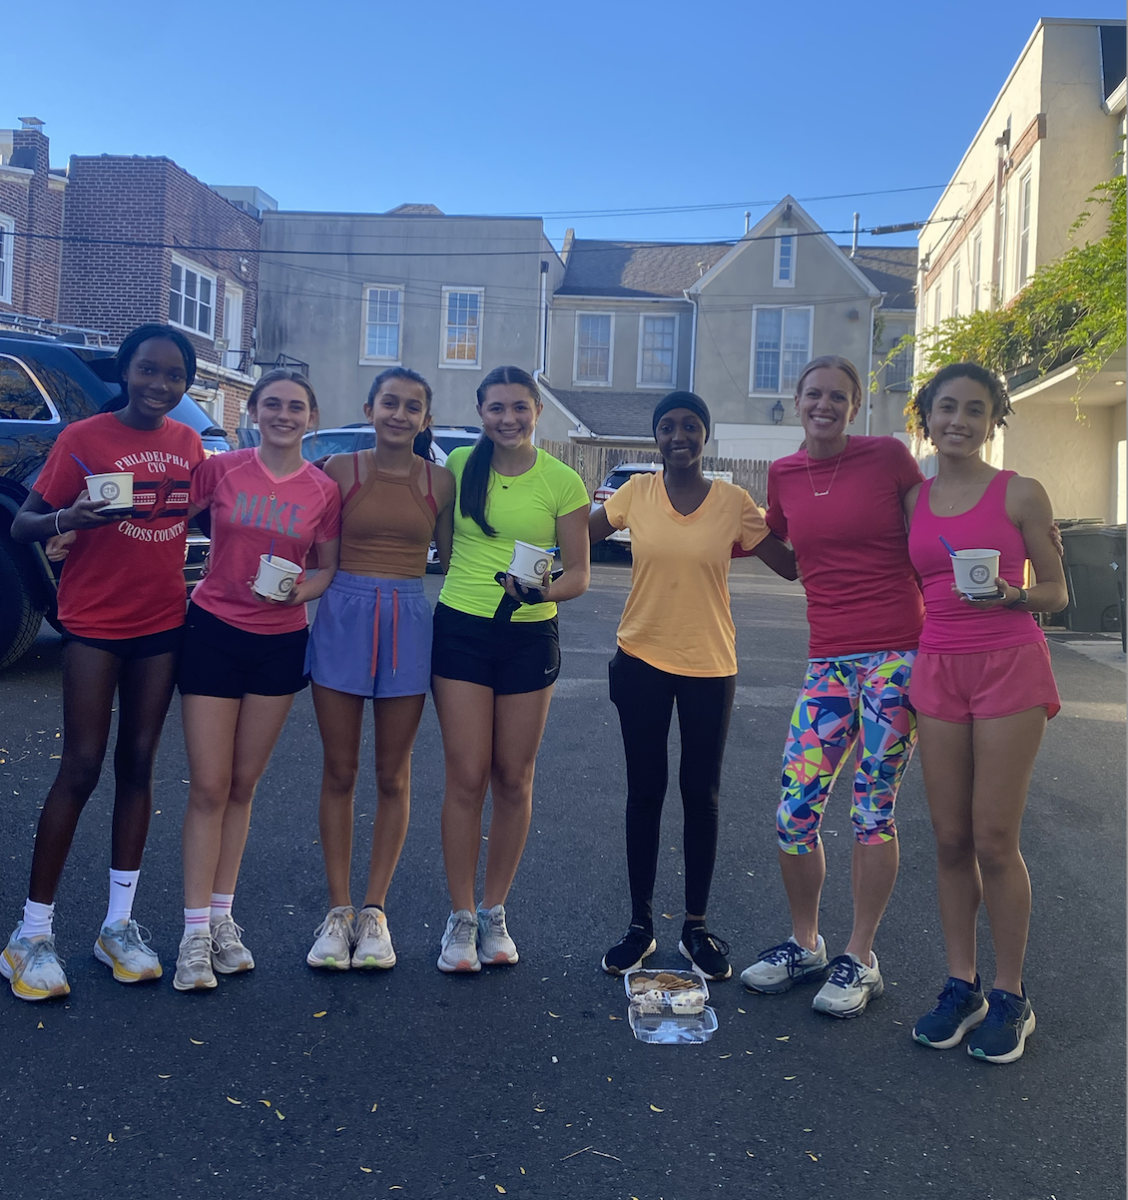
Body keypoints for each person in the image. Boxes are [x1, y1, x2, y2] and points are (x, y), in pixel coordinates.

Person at [2, 324, 205, 1001]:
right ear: (126, 372)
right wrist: (71, 520)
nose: (159, 385)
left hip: (162, 625)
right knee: (81, 767)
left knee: (139, 765)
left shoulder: (187, 442)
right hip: (93, 625)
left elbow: (200, 512)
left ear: (186, 384)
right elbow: (23, 523)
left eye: (174, 375)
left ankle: (117, 926)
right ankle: (31, 934)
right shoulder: (82, 440)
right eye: (148, 370)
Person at [739, 356, 925, 1018]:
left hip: (896, 658)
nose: (825, 404)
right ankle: (805, 942)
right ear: (796, 401)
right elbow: (786, 556)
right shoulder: (785, 473)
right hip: (829, 662)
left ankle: (861, 955)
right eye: (814, 394)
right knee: (795, 809)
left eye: (838, 396)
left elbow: (932, 534)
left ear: (856, 405)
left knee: (872, 809)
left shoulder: (889, 458)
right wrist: (722, 536)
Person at [590, 391, 796, 981]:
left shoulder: (732, 501)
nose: (678, 435)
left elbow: (789, 562)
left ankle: (697, 928)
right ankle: (639, 927)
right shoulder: (636, 494)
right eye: (667, 427)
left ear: (705, 435)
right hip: (641, 658)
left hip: (710, 664)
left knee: (701, 795)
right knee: (644, 793)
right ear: (655, 437)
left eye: (690, 426)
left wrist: (820, 517)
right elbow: (580, 530)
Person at [905, 363, 1066, 1064]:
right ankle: (960, 984)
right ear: (927, 417)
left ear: (993, 420)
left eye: (975, 410)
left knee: (995, 837)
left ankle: (1010, 995)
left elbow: (1059, 594)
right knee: (948, 839)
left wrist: (1013, 596)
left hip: (1009, 667)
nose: (959, 421)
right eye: (947, 408)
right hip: (938, 669)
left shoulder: (1021, 492)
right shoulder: (911, 500)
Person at [173, 369, 340, 992]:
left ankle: (222, 918)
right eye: (272, 404)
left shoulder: (322, 489)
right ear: (255, 412)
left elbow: (327, 566)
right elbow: (169, 522)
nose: (283, 414)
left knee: (243, 785)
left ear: (312, 418)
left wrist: (306, 587)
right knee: (209, 785)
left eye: (296, 406)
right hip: (213, 631)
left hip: (278, 643)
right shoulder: (223, 470)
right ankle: (192, 933)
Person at [431, 365, 590, 972]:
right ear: (480, 411)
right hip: (463, 629)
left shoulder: (563, 480)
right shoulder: (459, 468)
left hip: (528, 633)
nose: (509, 419)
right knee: (466, 775)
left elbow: (578, 572)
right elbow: (445, 549)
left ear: (537, 412)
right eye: (496, 408)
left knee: (514, 777)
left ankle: (495, 911)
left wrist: (542, 595)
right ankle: (461, 917)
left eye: (520, 408)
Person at [304, 367, 454, 971]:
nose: (399, 413)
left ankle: (375, 913)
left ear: (425, 419)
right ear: (369, 408)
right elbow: (300, 535)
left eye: (412, 406)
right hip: (342, 615)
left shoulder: (440, 481)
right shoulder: (339, 471)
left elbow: (458, 555)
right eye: (389, 402)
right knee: (339, 771)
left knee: (394, 774)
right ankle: (338, 911)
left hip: (408, 621)